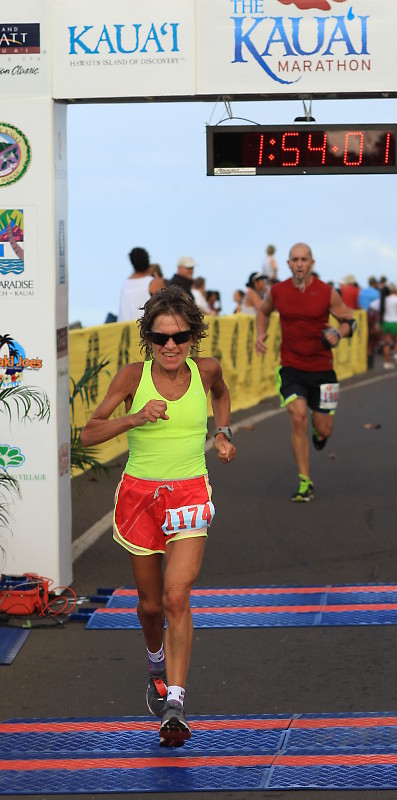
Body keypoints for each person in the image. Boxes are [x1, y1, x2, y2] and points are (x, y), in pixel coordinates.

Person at [80, 286, 236, 748]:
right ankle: (155, 664)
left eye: (181, 336)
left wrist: (222, 433)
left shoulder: (206, 371)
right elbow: (89, 434)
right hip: (140, 496)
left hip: (189, 491)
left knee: (175, 595)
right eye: (161, 337)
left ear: (194, 336)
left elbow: (223, 397)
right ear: (147, 337)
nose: (172, 346)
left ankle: (176, 703)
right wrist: (134, 419)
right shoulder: (133, 376)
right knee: (149, 607)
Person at [255, 243, 356, 502]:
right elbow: (263, 311)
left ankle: (318, 433)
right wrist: (260, 334)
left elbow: (350, 320)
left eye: (304, 259)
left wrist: (339, 333)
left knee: (325, 431)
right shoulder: (278, 291)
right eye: (295, 260)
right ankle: (305, 482)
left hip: (323, 371)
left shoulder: (326, 292)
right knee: (298, 416)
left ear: (312, 263)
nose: (300, 264)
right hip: (291, 367)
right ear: (288, 264)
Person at [118, 247, 166, 322]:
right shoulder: (154, 283)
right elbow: (166, 307)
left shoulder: (125, 284)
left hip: (126, 330)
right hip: (144, 329)